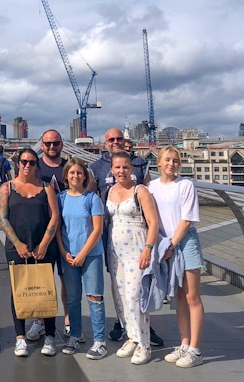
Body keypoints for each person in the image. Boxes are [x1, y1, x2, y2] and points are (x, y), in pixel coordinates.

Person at [88, 127, 163, 347]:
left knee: (137, 289)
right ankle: (125, 327)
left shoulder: (140, 164)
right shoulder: (95, 168)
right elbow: (91, 197)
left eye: (119, 138)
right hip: (110, 236)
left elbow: (151, 194)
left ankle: (143, 332)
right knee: (119, 285)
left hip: (138, 236)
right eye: (110, 139)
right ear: (105, 143)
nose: (115, 142)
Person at [0, 148, 59, 357]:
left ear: (37, 165)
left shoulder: (46, 187)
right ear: (18, 163)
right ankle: (20, 337)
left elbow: (54, 217)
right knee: (19, 291)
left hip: (43, 247)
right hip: (17, 248)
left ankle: (49, 334)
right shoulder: (6, 188)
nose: (27, 165)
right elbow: (3, 218)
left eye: (32, 162)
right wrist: (17, 244)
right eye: (23, 161)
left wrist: (43, 244)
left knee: (45, 290)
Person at [148, 146, 205, 368]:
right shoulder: (151, 187)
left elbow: (187, 219)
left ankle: (195, 350)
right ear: (159, 163)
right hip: (165, 246)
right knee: (179, 298)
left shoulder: (186, 185)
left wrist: (171, 245)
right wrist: (162, 246)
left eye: (175, 161)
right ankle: (184, 343)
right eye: (167, 160)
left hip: (185, 243)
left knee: (192, 297)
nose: (171, 164)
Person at [106, 151, 159, 365]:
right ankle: (131, 337)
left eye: (125, 167)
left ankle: (144, 344)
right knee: (120, 297)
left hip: (137, 250)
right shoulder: (110, 191)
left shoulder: (141, 191)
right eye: (117, 167)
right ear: (112, 170)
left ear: (132, 169)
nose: (121, 171)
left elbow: (153, 222)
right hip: (115, 252)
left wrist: (148, 248)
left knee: (135, 297)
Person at [56, 158, 107, 359]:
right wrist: (63, 251)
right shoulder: (61, 198)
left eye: (79, 172)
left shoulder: (92, 199)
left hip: (91, 255)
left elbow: (98, 229)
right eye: (72, 173)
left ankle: (100, 341)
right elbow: (58, 228)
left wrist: (83, 254)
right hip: (68, 255)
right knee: (73, 298)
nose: (76, 176)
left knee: (95, 297)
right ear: (66, 176)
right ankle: (74, 336)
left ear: (85, 176)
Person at [27, 129, 74, 342]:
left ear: (62, 144)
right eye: (47, 144)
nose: (52, 147)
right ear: (42, 145)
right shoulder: (34, 166)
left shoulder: (70, 167)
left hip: (67, 232)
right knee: (42, 279)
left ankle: (67, 321)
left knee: (67, 279)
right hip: (41, 231)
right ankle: (39, 321)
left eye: (56, 143)